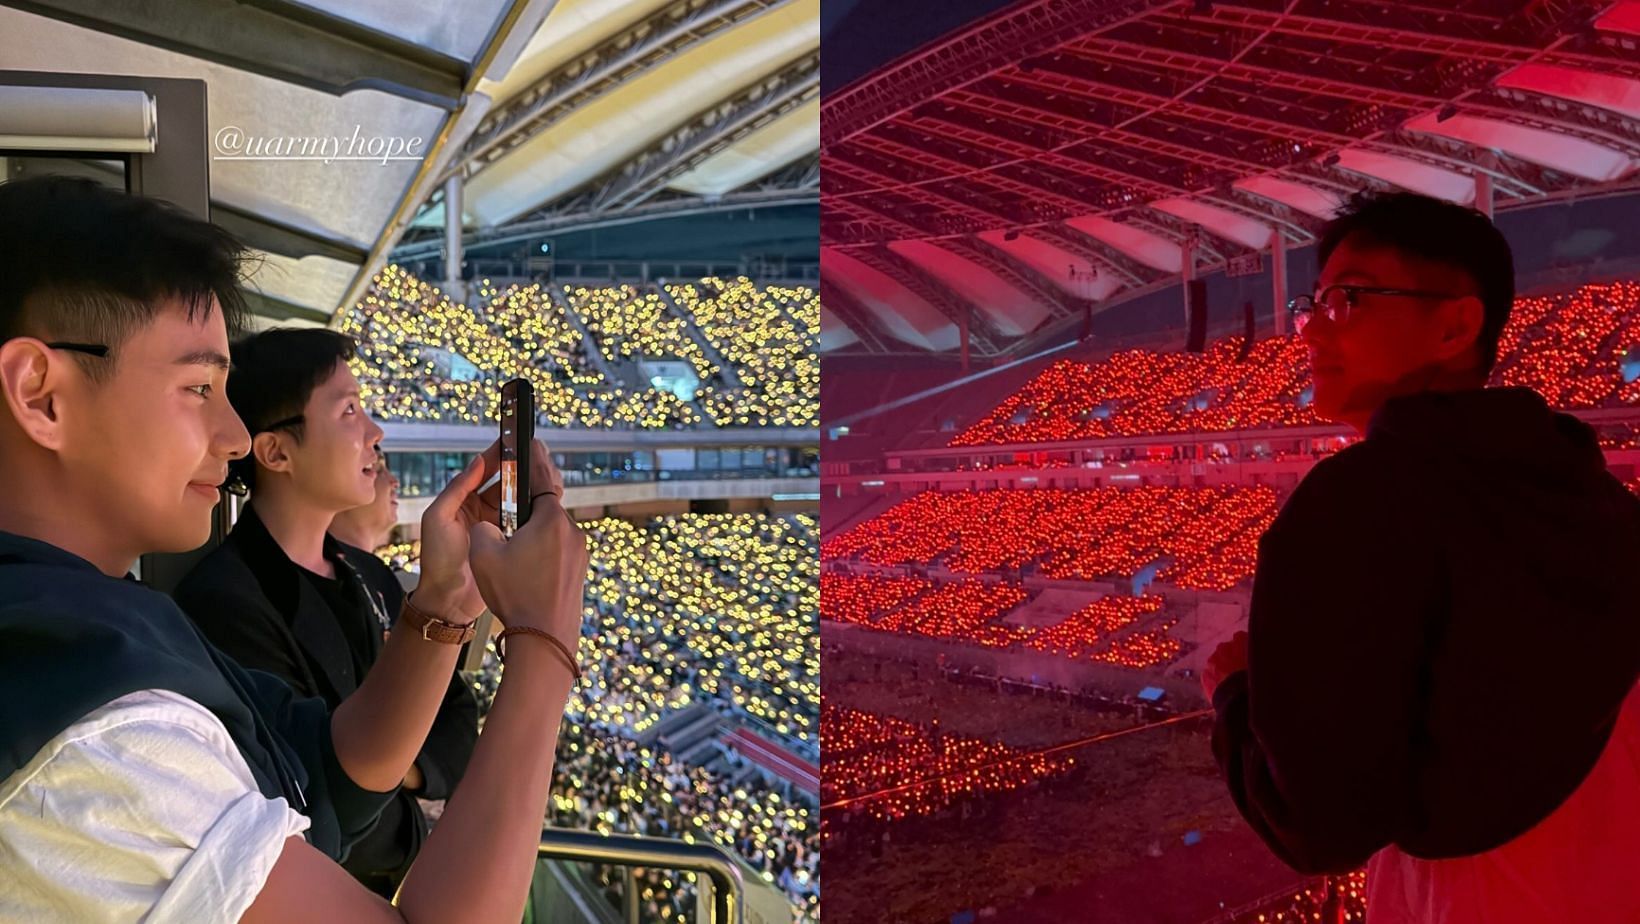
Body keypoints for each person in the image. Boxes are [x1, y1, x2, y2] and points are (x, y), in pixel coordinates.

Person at [0, 174, 587, 923]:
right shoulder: (95, 741)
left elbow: (332, 763)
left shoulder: (91, 625)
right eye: (199, 389)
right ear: (41, 394)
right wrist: (544, 644)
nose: (235, 438)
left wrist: (446, 599)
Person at [1202, 190, 1640, 922]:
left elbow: (1321, 823)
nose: (1309, 334)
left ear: (1455, 325)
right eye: (1314, 305)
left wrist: (1234, 694)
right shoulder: (1601, 500)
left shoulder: (1361, 501)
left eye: (1349, 299)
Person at [171, 328, 477, 898]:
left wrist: (392, 764)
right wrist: (407, 778)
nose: (374, 433)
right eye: (349, 412)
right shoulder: (226, 605)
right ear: (276, 452)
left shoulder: (372, 574)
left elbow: (459, 714)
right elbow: (325, 811)